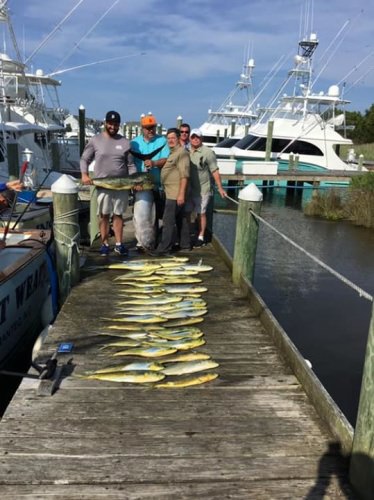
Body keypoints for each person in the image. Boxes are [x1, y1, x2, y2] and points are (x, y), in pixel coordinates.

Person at [80, 110, 136, 256]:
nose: (113, 126)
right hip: (103, 184)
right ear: (105, 123)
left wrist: (135, 179)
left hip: (121, 185)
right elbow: (84, 159)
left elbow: (130, 165)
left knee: (118, 215)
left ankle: (119, 244)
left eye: (116, 124)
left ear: (119, 125)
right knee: (104, 214)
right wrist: (84, 175)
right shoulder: (95, 140)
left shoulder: (125, 142)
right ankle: (104, 243)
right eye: (110, 123)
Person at [130, 114, 170, 251]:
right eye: (147, 128)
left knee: (157, 215)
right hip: (141, 186)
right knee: (141, 215)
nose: (150, 130)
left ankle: (153, 239)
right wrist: (135, 180)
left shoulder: (162, 141)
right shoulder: (134, 143)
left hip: (158, 185)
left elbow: (166, 159)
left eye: (152, 127)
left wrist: (153, 163)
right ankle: (141, 241)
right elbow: (130, 163)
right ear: (142, 128)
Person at [150, 128, 190, 256]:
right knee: (181, 219)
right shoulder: (173, 153)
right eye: (168, 138)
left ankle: (164, 247)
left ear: (179, 138)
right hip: (171, 192)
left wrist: (181, 194)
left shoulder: (182, 153)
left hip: (175, 193)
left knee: (168, 221)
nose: (170, 140)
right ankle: (185, 244)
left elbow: (185, 175)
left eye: (173, 138)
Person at [186, 128, 227, 246]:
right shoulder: (187, 150)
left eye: (197, 137)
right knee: (187, 212)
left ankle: (201, 235)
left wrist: (220, 187)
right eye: (193, 137)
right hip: (189, 189)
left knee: (201, 213)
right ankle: (188, 233)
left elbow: (214, 170)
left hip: (203, 189)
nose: (195, 139)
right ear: (190, 138)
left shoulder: (208, 152)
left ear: (201, 138)